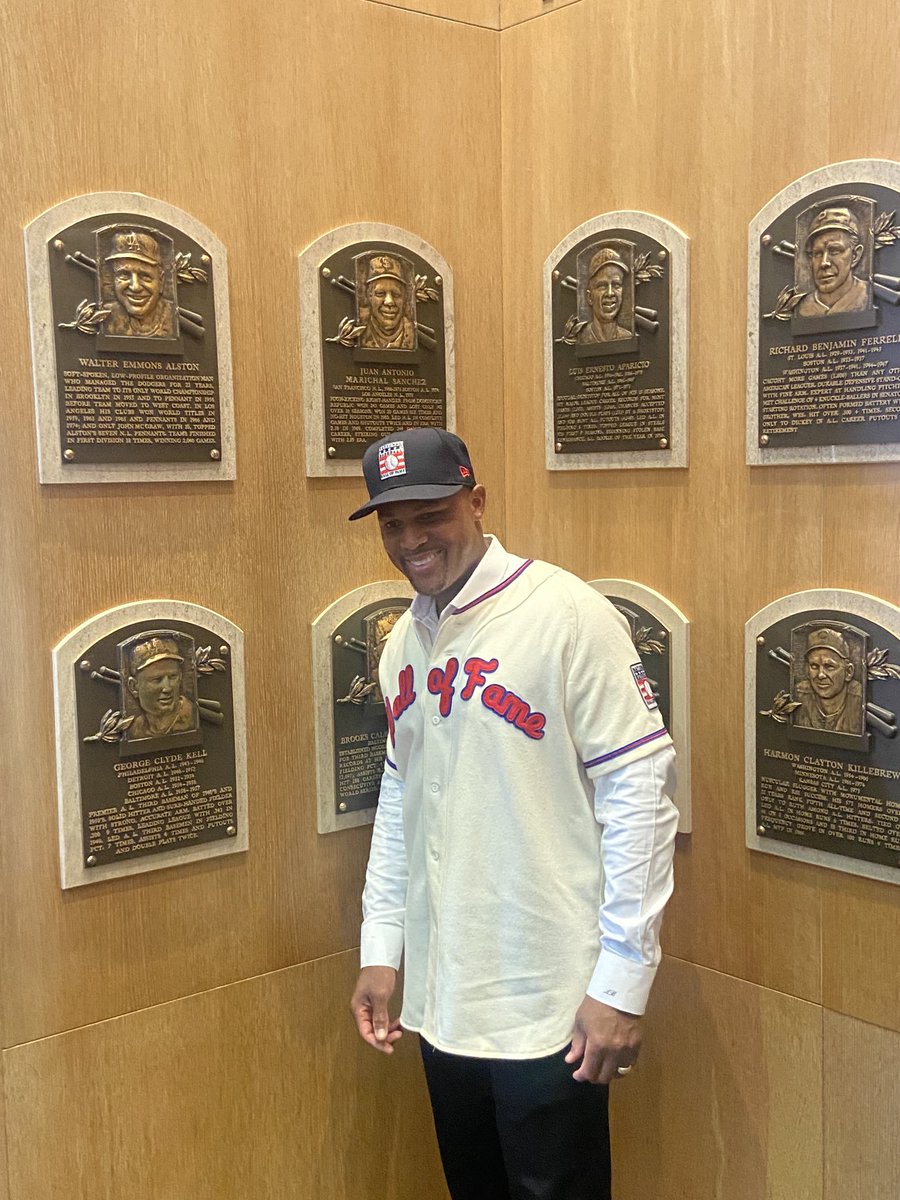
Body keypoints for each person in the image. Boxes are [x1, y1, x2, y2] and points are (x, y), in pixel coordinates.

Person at [348, 427, 678, 1200]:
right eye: (393, 524)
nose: (410, 539)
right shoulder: (404, 642)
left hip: (550, 1004)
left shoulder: (566, 614)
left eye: (430, 512)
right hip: (444, 997)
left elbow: (642, 797)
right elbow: (400, 801)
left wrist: (623, 983)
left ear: (478, 500)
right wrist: (380, 945)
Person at [103, 230, 178, 338]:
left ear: (161, 281)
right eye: (124, 275)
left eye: (145, 276)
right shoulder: (105, 317)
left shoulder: (173, 317)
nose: (135, 287)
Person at [796, 208, 869, 318]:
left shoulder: (868, 296)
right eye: (818, 253)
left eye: (834, 251)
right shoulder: (800, 307)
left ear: (855, 255)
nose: (824, 263)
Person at [124, 636, 198, 741]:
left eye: (173, 677)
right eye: (157, 680)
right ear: (133, 687)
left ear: (180, 677)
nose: (167, 688)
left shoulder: (193, 718)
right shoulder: (134, 730)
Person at [794, 627, 864, 734]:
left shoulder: (861, 701)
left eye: (829, 666)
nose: (821, 675)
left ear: (849, 672)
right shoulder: (797, 695)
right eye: (814, 666)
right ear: (806, 670)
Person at [577, 246, 633, 344]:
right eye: (602, 286)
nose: (610, 293)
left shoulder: (628, 337)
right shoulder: (581, 337)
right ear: (589, 297)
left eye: (616, 285)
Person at [359, 254, 415, 350]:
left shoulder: (412, 333)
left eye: (396, 294)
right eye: (380, 294)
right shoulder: (358, 330)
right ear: (369, 296)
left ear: (405, 298)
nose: (389, 301)